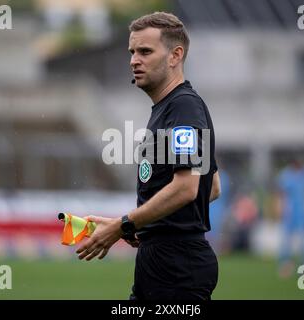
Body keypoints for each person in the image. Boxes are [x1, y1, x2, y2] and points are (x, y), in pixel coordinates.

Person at [76, 12, 221, 300]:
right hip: (163, 261)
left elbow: (187, 187)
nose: (133, 60)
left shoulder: (183, 108)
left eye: (145, 51)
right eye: (132, 52)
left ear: (174, 55)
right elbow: (212, 187)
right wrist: (152, 226)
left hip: (177, 269)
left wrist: (123, 225)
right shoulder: (168, 108)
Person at [276, 158, 304, 278]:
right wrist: (281, 207)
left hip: (301, 210)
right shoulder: (287, 175)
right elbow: (282, 192)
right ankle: (286, 262)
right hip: (291, 210)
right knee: (287, 238)